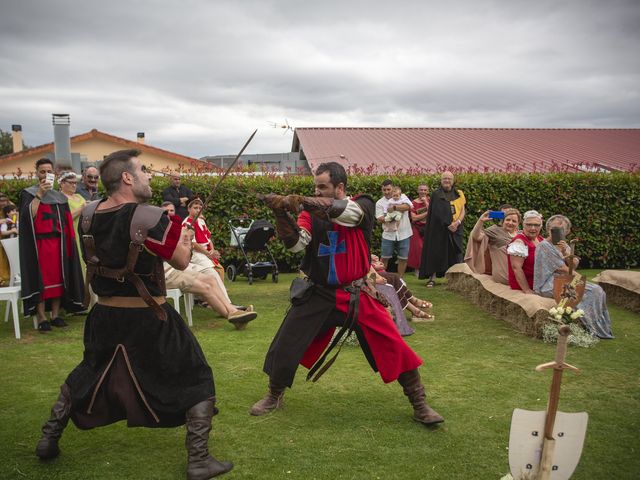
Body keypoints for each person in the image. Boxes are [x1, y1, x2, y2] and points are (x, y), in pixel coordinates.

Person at [34, 149, 233, 479]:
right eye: (142, 170)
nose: (148, 176)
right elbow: (183, 261)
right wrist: (184, 236)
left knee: (88, 372)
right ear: (127, 177)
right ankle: (198, 460)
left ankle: (48, 437)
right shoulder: (150, 216)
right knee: (197, 375)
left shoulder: (88, 213)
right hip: (149, 316)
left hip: (105, 315)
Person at [251, 162, 444, 426]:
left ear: (340, 187)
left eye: (323, 187)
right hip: (317, 293)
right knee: (287, 342)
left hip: (356, 292)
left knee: (393, 344)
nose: (316, 192)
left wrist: (301, 202)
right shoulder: (309, 215)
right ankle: (274, 395)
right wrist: (281, 215)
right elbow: (297, 245)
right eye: (314, 187)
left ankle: (419, 403)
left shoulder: (362, 204)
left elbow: (346, 213)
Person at [161, 202, 257, 329]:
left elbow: (184, 256)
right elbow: (178, 259)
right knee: (205, 286)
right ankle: (232, 312)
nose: (169, 214)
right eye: (165, 212)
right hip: (167, 272)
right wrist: (187, 244)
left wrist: (187, 242)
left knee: (210, 278)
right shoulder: (161, 230)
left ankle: (233, 312)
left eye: (171, 210)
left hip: (178, 268)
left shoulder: (177, 227)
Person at [18, 158, 84, 331]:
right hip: (38, 244)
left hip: (58, 244)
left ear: (53, 174)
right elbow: (27, 218)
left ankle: (55, 315)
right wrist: (39, 194)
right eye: (42, 171)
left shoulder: (59, 197)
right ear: (36, 173)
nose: (46, 175)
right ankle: (41, 318)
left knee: (58, 279)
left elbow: (67, 221)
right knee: (41, 280)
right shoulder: (28, 193)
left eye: (49, 171)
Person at [533, 215, 613, 339]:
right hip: (549, 284)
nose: (557, 232)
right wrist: (582, 280)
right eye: (553, 229)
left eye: (561, 229)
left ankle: (596, 326)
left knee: (598, 291)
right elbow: (564, 269)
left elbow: (573, 265)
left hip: (565, 279)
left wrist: (566, 252)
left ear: (567, 231)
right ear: (548, 229)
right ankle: (590, 327)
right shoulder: (544, 246)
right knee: (594, 290)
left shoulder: (564, 246)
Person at [419, 171, 466, 287]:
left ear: (453, 180)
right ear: (441, 181)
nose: (447, 181)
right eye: (444, 178)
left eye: (449, 178)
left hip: (456, 229)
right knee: (435, 253)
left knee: (456, 254)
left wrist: (457, 223)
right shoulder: (436, 194)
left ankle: (455, 281)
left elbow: (462, 210)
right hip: (439, 230)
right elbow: (436, 212)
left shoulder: (459, 194)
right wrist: (448, 225)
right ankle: (432, 278)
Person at [465, 207, 521, 284]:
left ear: (518, 223)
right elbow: (476, 236)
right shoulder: (495, 231)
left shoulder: (521, 234)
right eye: (508, 220)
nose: (510, 223)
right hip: (504, 273)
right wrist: (480, 221)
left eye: (514, 221)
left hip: (521, 271)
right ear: (503, 221)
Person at [371, 254, 434, 321]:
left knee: (393, 277)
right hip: (365, 279)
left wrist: (373, 262)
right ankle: (414, 305)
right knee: (392, 278)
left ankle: (415, 308)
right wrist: (374, 269)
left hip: (370, 274)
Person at [375, 179, 413, 277]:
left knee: (403, 258)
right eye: (384, 190)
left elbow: (408, 207)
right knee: (384, 258)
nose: (386, 192)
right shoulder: (379, 203)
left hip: (404, 233)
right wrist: (391, 217)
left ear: (393, 189)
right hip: (388, 234)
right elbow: (379, 219)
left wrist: (394, 208)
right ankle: (382, 280)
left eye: (388, 189)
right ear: (381, 190)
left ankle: (400, 280)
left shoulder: (402, 196)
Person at [507, 210, 544, 294]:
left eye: (536, 225)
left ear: (540, 227)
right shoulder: (519, 242)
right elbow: (516, 268)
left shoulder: (540, 239)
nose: (533, 228)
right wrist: (527, 290)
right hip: (526, 286)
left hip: (538, 283)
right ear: (523, 225)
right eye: (529, 225)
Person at [58, 171, 87, 272]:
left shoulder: (79, 196)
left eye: (75, 182)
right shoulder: (60, 198)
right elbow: (61, 219)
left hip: (85, 233)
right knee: (77, 261)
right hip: (72, 234)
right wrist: (81, 209)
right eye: (71, 183)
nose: (74, 185)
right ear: (62, 183)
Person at [407, 184, 429, 272]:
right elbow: (414, 218)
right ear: (418, 191)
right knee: (418, 248)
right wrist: (427, 213)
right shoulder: (413, 203)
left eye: (425, 190)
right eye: (421, 190)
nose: (423, 192)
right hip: (417, 228)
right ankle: (417, 269)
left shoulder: (430, 201)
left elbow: (435, 213)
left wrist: (426, 203)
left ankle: (427, 269)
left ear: (427, 191)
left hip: (428, 228)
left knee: (428, 248)